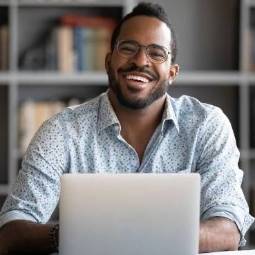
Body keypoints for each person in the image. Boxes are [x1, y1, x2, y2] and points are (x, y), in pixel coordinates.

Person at [0, 2, 254, 254]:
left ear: (172, 73)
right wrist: (69, 234)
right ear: (109, 61)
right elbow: (11, 232)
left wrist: (137, 236)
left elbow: (228, 228)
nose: (140, 60)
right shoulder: (62, 131)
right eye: (128, 48)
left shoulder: (206, 125)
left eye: (156, 53)